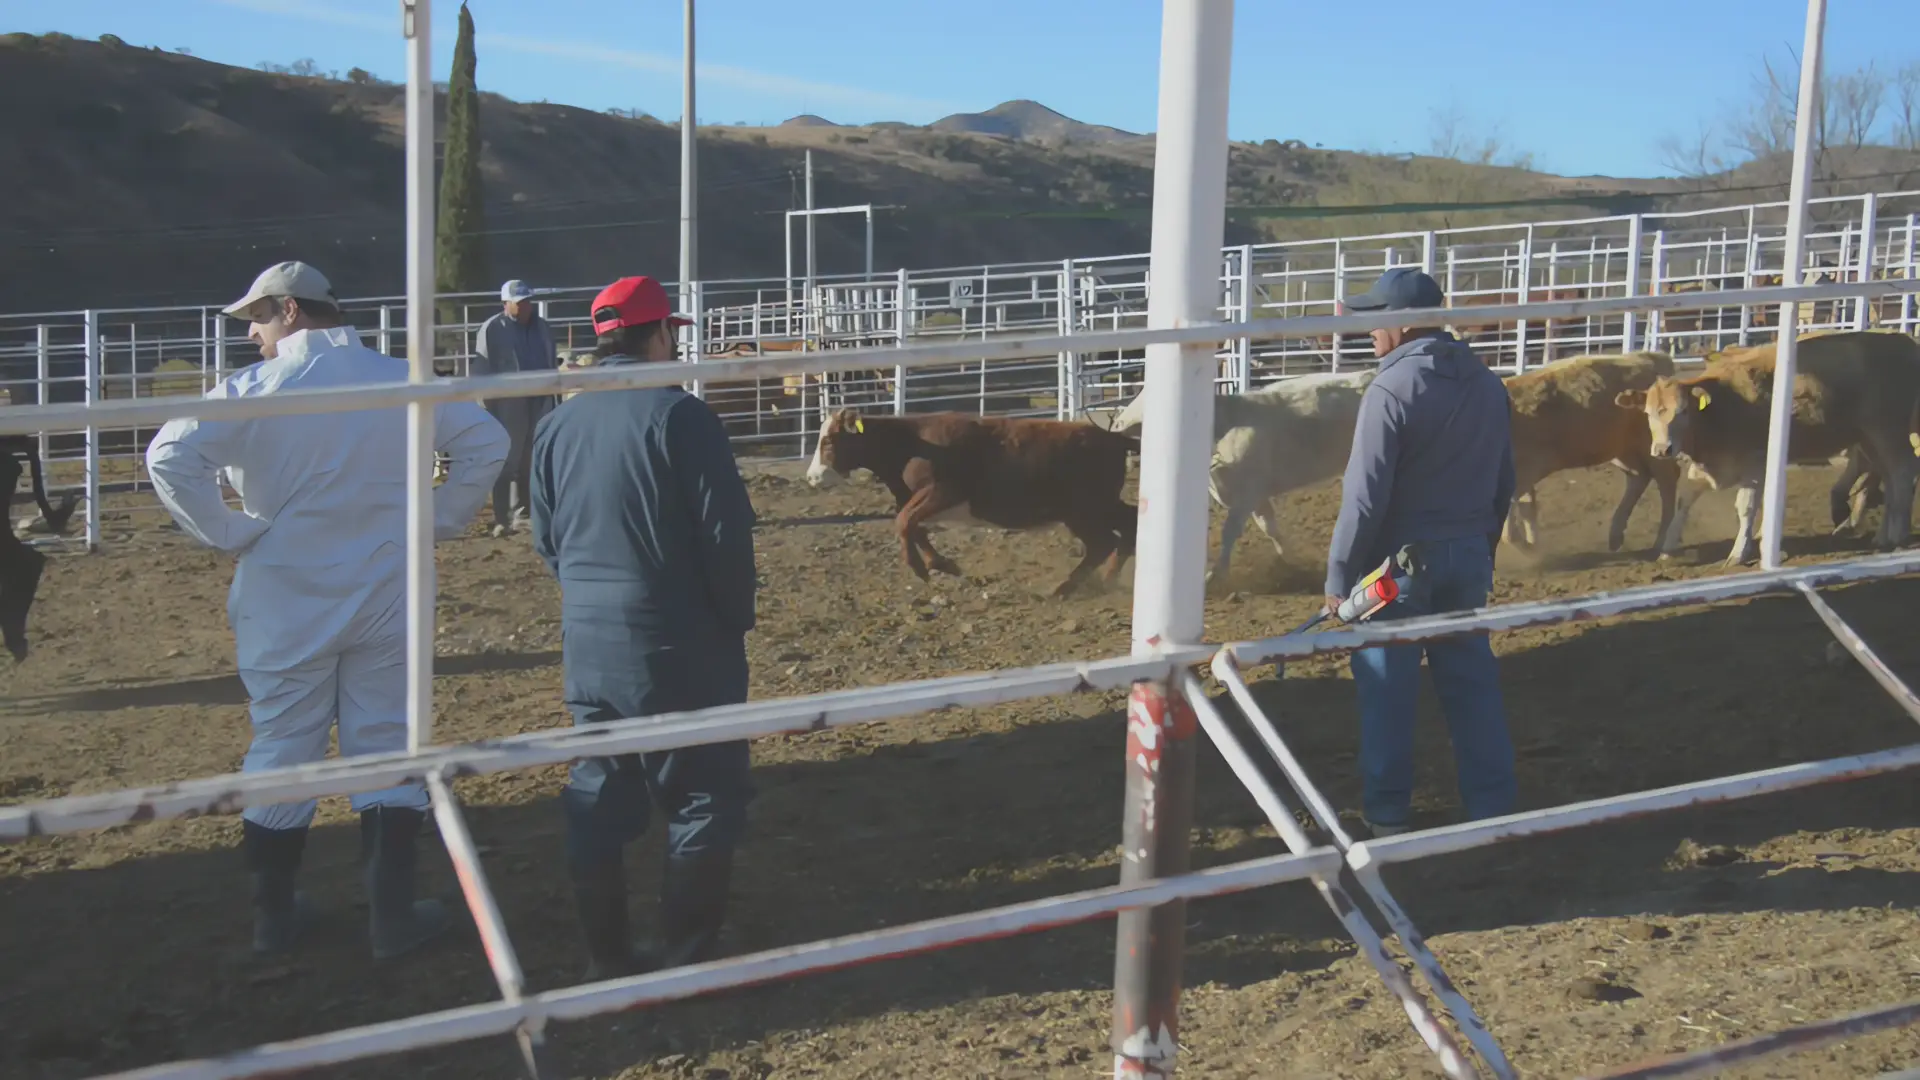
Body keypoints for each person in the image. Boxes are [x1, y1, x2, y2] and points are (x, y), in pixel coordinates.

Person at [145, 260, 510, 959]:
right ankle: (391, 917)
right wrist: (435, 519)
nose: (252, 333)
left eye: (256, 318)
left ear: (290, 310)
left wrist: (228, 532)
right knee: (386, 739)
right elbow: (486, 442)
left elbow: (168, 456)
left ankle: (274, 918)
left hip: (285, 595)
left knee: (283, 745)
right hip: (388, 586)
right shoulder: (400, 379)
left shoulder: (257, 388)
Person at [529, 274, 759, 980]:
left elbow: (547, 538)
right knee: (701, 788)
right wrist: (735, 617)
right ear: (659, 334)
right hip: (678, 634)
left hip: (589, 637)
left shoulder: (557, 422)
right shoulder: (681, 417)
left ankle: (607, 954)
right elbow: (725, 536)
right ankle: (685, 954)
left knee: (599, 785)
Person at [1322, 267, 1518, 838]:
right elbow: (1504, 478)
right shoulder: (1487, 383)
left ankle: (1387, 812)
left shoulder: (1389, 390)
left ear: (1401, 324)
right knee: (1472, 684)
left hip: (1399, 567)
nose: (1369, 332)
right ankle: (1493, 806)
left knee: (1387, 689)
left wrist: (1338, 577)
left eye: (1375, 320)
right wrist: (1484, 547)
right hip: (1468, 552)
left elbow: (1364, 496)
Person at [471, 279, 560, 536]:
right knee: (506, 461)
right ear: (505, 303)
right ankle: (502, 517)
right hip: (508, 402)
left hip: (539, 397)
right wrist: (487, 407)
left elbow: (551, 361)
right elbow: (482, 371)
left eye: (527, 301)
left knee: (530, 461)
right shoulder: (491, 329)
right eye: (519, 302)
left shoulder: (542, 327)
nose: (525, 307)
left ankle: (524, 514)